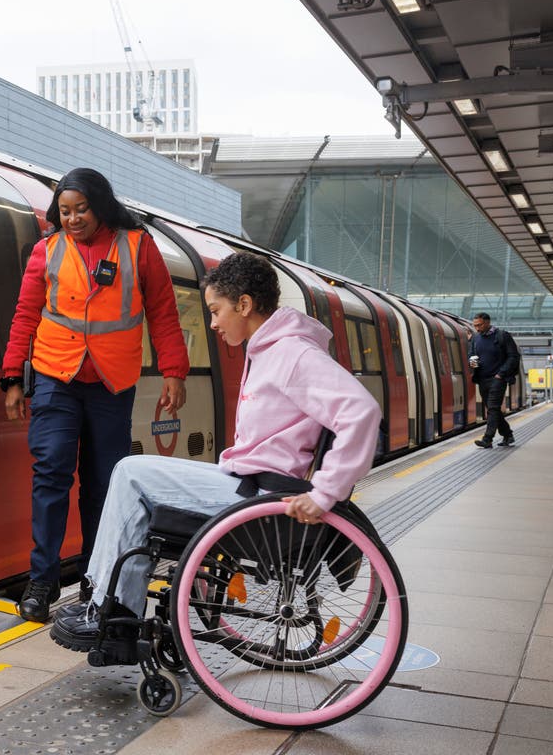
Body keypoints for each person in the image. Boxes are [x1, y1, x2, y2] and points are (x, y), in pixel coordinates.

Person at [48, 251, 381, 650]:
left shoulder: (292, 354)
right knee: (133, 477)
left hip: (263, 496)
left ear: (244, 304)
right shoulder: (270, 349)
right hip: (253, 485)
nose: (213, 323)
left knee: (130, 473)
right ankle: (113, 607)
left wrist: (325, 493)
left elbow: (361, 411)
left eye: (216, 310)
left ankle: (111, 610)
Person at [0, 167, 189, 623]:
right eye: (64, 211)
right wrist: (12, 377)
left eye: (81, 209)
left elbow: (163, 312)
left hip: (111, 382)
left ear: (100, 205)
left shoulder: (138, 247)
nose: (72, 219)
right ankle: (42, 581)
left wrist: (174, 372)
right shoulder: (47, 250)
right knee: (51, 473)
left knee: (105, 484)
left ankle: (95, 578)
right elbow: (25, 314)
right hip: (55, 377)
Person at [468, 312, 520, 448]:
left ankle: (488, 439)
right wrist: (472, 362)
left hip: (498, 379)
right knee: (493, 409)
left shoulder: (502, 336)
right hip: (482, 379)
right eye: (475, 326)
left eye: (479, 325)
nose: (477, 328)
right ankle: (508, 434)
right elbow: (471, 354)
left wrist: (501, 373)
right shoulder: (475, 338)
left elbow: (513, 356)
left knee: (492, 408)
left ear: (487, 322)